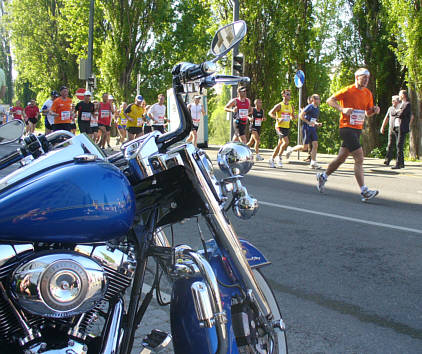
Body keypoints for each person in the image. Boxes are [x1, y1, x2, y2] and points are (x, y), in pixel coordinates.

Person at [317, 68, 380, 202]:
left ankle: (323, 176)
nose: (366, 80)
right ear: (357, 78)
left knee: (341, 158)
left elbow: (368, 112)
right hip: (346, 128)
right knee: (359, 158)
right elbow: (330, 100)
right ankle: (364, 191)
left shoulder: (368, 93)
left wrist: (374, 110)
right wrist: (342, 109)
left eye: (367, 78)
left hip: (357, 129)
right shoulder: (348, 90)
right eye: (363, 78)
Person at [285, 94, 323, 169]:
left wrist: (317, 123)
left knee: (315, 145)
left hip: (313, 128)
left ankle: (313, 162)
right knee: (304, 147)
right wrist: (308, 122)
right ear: (314, 99)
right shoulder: (310, 107)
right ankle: (291, 149)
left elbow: (313, 119)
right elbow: (301, 116)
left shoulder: (317, 108)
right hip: (306, 128)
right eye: (318, 99)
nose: (320, 100)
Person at [268, 89, 297, 168]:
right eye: (287, 94)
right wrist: (278, 118)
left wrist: (295, 117)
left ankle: (271, 159)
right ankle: (279, 157)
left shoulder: (291, 106)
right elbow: (270, 113)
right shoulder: (279, 105)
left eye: (290, 94)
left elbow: (292, 116)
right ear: (283, 95)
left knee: (280, 144)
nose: (289, 96)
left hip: (286, 127)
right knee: (286, 142)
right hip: (279, 127)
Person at [390, 90, 414, 169]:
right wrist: (398, 111)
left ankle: (398, 164)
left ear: (403, 95)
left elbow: (401, 114)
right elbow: (392, 113)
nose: (399, 96)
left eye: (400, 94)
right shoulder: (400, 104)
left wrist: (398, 112)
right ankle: (402, 163)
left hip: (402, 127)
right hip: (396, 126)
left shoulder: (407, 104)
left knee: (399, 145)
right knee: (398, 144)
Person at [380, 95, 401, 166]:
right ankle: (387, 160)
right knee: (390, 145)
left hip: (399, 129)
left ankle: (399, 161)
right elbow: (386, 118)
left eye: (394, 101)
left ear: (398, 101)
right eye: (392, 101)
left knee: (399, 145)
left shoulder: (402, 108)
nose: (392, 102)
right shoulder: (390, 109)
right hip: (391, 129)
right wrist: (382, 127)